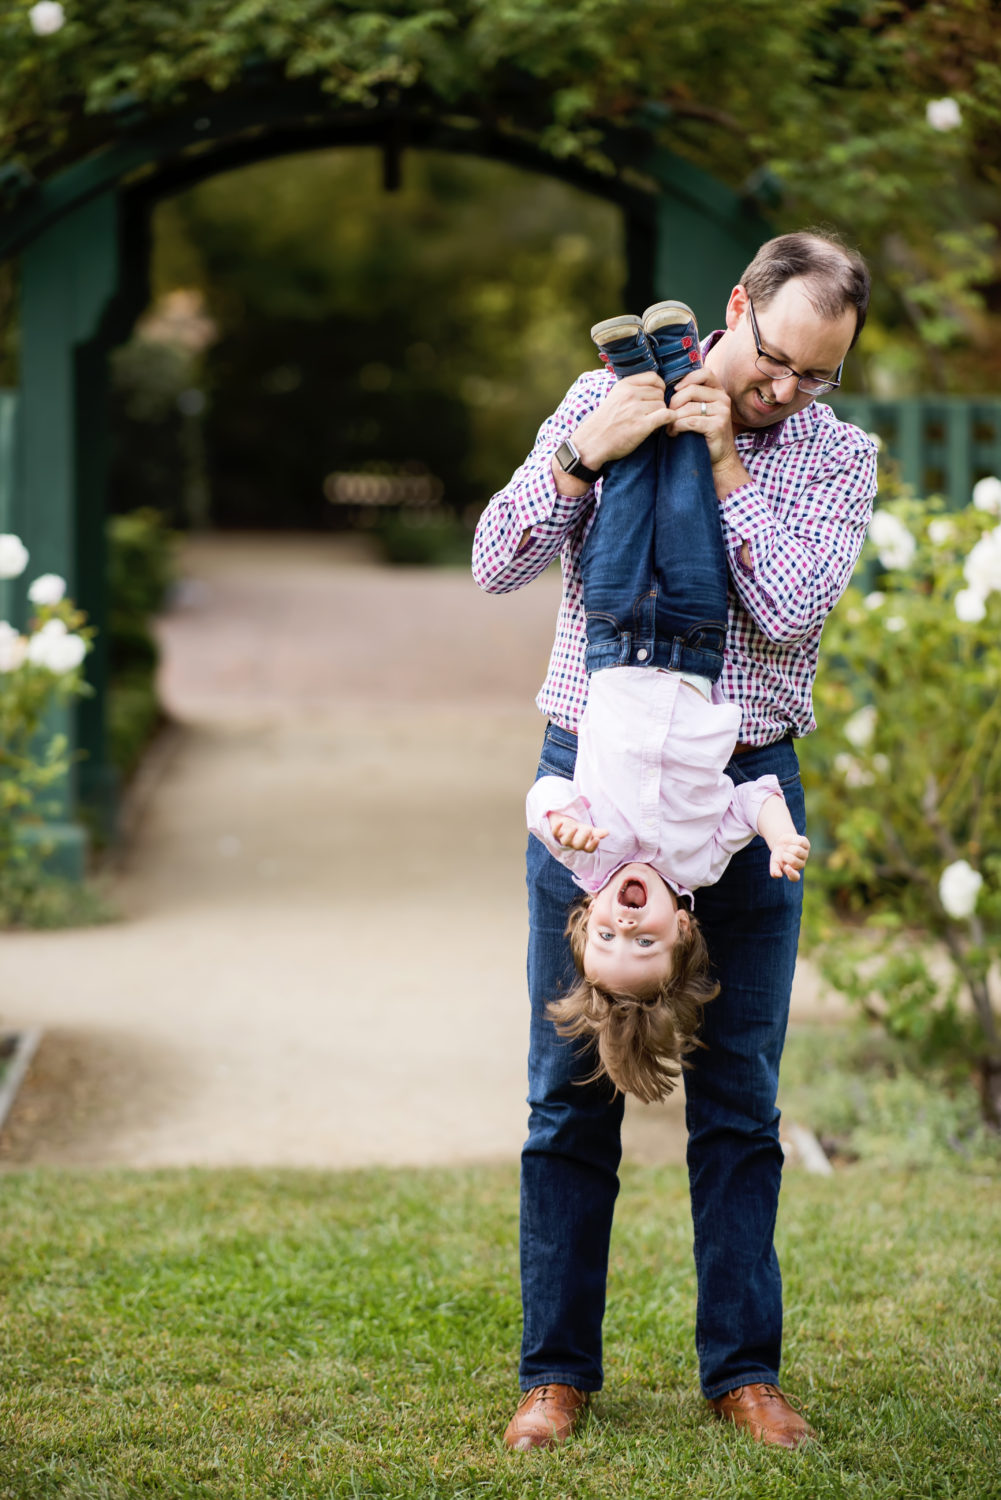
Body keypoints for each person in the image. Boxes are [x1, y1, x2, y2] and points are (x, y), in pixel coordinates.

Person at [472, 230, 877, 1452]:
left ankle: (741, 1372)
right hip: (588, 786)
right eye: (776, 361)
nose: (786, 391)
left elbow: (796, 607)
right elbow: (495, 561)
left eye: (817, 375)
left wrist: (727, 464)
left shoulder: (833, 455)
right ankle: (555, 1374)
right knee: (566, 1097)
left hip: (746, 795)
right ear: (737, 307)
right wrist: (579, 463)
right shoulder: (604, 397)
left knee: (739, 1101)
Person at [526, 301, 810, 1105]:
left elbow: (540, 794)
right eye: (641, 939)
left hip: (613, 635)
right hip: (692, 635)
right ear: (682, 928)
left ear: (587, 921)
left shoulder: (589, 853)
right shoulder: (699, 862)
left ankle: (633, 372)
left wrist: (559, 821)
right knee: (683, 502)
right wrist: (781, 834)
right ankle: (676, 365)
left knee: (623, 506)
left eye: (607, 935)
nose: (625, 920)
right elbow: (751, 797)